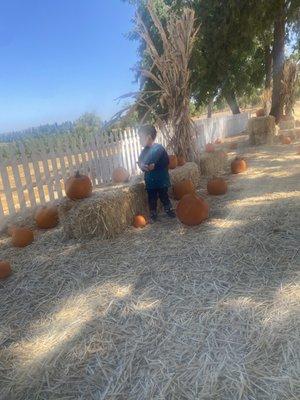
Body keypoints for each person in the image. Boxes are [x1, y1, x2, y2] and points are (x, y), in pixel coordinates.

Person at [138, 125, 175, 222]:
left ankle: (168, 209)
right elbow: (140, 162)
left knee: (163, 195)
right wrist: (142, 166)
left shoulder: (159, 149)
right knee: (152, 197)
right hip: (150, 181)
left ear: (149, 137)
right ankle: (153, 213)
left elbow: (166, 161)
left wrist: (156, 166)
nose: (139, 140)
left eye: (141, 137)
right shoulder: (144, 152)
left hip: (161, 179)